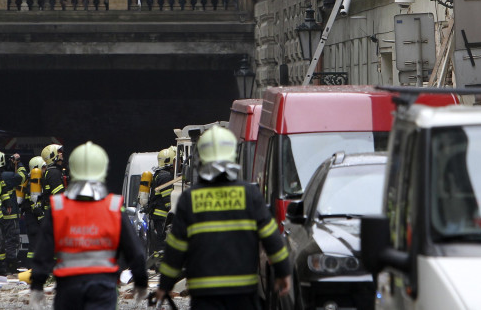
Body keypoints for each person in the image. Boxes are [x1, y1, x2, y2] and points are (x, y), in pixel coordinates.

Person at [156, 126, 292, 309]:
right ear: (233, 156)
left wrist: (164, 286)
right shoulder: (250, 195)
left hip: (205, 297)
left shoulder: (189, 200)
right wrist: (283, 272)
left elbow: (176, 249)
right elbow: (272, 239)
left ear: (200, 159)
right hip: (243, 294)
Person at [29, 142, 148, 310]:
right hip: (103, 287)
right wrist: (141, 280)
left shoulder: (58, 207)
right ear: (103, 168)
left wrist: (37, 285)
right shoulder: (113, 206)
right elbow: (134, 249)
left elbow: (43, 251)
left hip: (68, 288)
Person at [147, 147, 174, 256]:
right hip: (162, 216)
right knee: (162, 243)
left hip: (157, 216)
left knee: (158, 243)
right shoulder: (165, 176)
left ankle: (157, 263)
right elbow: (168, 200)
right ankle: (160, 264)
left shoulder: (159, 174)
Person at [22, 156, 46, 264]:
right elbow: (33, 201)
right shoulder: (34, 182)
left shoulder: (29, 180)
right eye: (44, 167)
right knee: (35, 244)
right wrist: (41, 216)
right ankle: (31, 267)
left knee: (35, 244)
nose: (45, 170)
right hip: (33, 218)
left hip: (30, 217)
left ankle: (32, 267)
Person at [41, 144, 66, 213]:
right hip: (56, 212)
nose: (61, 153)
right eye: (58, 152)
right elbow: (59, 195)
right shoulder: (53, 173)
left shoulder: (53, 171)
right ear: (52, 156)